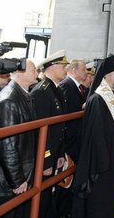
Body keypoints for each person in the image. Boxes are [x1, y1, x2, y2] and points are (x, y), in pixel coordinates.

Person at [72, 55, 114, 218]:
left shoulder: (109, 95)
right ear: (107, 75)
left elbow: (110, 122)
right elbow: (96, 134)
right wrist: (104, 161)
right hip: (103, 162)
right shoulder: (98, 99)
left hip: (112, 156)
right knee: (101, 200)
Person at [0, 60, 39, 218]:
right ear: (21, 72)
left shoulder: (23, 95)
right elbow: (7, 146)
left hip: (23, 173)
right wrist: (17, 179)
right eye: (33, 70)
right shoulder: (10, 99)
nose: (37, 73)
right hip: (10, 181)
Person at [31, 50, 68, 217]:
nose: (65, 69)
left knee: (49, 194)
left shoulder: (55, 89)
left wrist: (59, 154)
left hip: (55, 153)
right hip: (45, 157)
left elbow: (59, 128)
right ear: (51, 67)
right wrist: (45, 161)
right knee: (42, 197)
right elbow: (40, 133)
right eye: (62, 65)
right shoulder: (41, 91)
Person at [59, 59, 88, 163]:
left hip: (77, 137)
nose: (86, 71)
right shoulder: (66, 85)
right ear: (75, 71)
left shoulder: (78, 87)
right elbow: (65, 111)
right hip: (70, 139)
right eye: (84, 69)